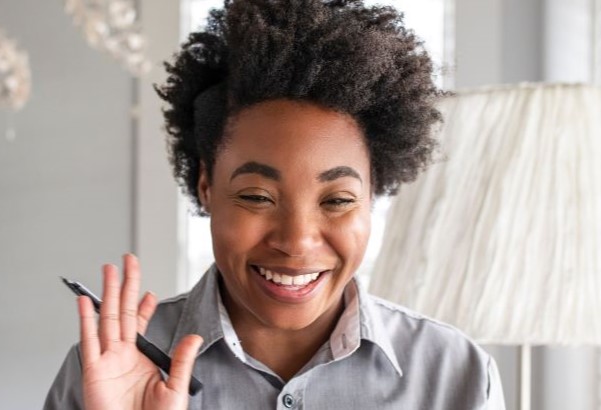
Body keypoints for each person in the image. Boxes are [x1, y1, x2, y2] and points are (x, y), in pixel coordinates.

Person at [44, 0, 506, 408]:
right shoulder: (109, 368)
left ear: (371, 196)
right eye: (257, 197)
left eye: (338, 200)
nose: (297, 241)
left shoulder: (455, 376)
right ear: (206, 186)